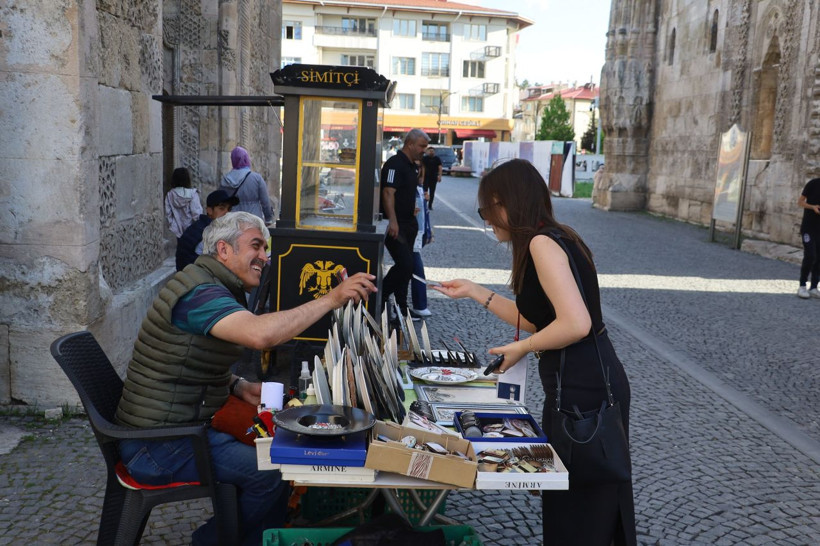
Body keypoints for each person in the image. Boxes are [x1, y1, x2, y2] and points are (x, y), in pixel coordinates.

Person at [116, 211, 376, 546]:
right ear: (223, 250)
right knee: (269, 472)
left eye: (266, 249)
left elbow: (183, 361)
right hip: (159, 445)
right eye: (256, 246)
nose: (265, 258)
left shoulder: (208, 285)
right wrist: (331, 298)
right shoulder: (200, 294)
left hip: (175, 430)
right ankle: (211, 542)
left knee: (276, 453)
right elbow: (260, 335)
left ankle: (256, 538)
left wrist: (237, 385)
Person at [433, 159, 636, 546]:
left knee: (583, 513)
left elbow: (575, 324)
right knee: (577, 507)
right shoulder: (555, 237)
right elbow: (537, 320)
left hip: (585, 390)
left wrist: (522, 348)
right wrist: (476, 290)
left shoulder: (544, 243)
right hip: (582, 384)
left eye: (486, 210)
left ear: (505, 202)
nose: (488, 221)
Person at [381, 129, 430, 318]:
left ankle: (401, 307)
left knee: (407, 270)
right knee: (406, 265)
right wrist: (392, 221)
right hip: (397, 225)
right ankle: (381, 296)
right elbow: (388, 193)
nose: (424, 150)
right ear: (410, 144)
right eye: (422, 146)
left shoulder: (413, 166)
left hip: (409, 224)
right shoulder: (395, 164)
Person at [176, 189, 239, 271]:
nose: (227, 213)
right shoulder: (205, 233)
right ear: (209, 210)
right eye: (222, 208)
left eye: (229, 209)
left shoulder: (213, 228)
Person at [220, 146, 274, 224]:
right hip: (253, 219)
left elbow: (221, 201)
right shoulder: (256, 178)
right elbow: (265, 201)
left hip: (233, 221)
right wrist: (268, 218)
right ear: (246, 159)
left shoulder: (225, 179)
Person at [411, 162, 433, 318]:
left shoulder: (420, 190)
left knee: (411, 268)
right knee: (416, 268)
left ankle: (419, 305)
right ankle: (419, 305)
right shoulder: (413, 190)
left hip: (419, 233)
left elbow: (424, 214)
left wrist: (428, 231)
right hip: (413, 233)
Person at [165, 167, 203, 238]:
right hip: (191, 230)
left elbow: (168, 214)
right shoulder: (193, 194)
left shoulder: (170, 195)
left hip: (176, 231)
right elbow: (196, 213)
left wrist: (172, 225)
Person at [798, 177, 820, 298]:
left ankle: (814, 287)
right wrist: (813, 207)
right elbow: (800, 202)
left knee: (819, 259)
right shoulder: (813, 183)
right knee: (810, 255)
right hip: (809, 228)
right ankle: (802, 286)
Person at [421, 146, 443, 210]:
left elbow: (440, 167)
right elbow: (423, 168)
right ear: (427, 152)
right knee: (425, 191)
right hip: (426, 177)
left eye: (432, 151)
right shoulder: (424, 158)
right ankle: (424, 203)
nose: (431, 152)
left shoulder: (437, 159)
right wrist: (422, 177)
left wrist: (439, 176)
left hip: (433, 177)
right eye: (430, 151)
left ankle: (430, 205)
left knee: (432, 192)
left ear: (434, 152)